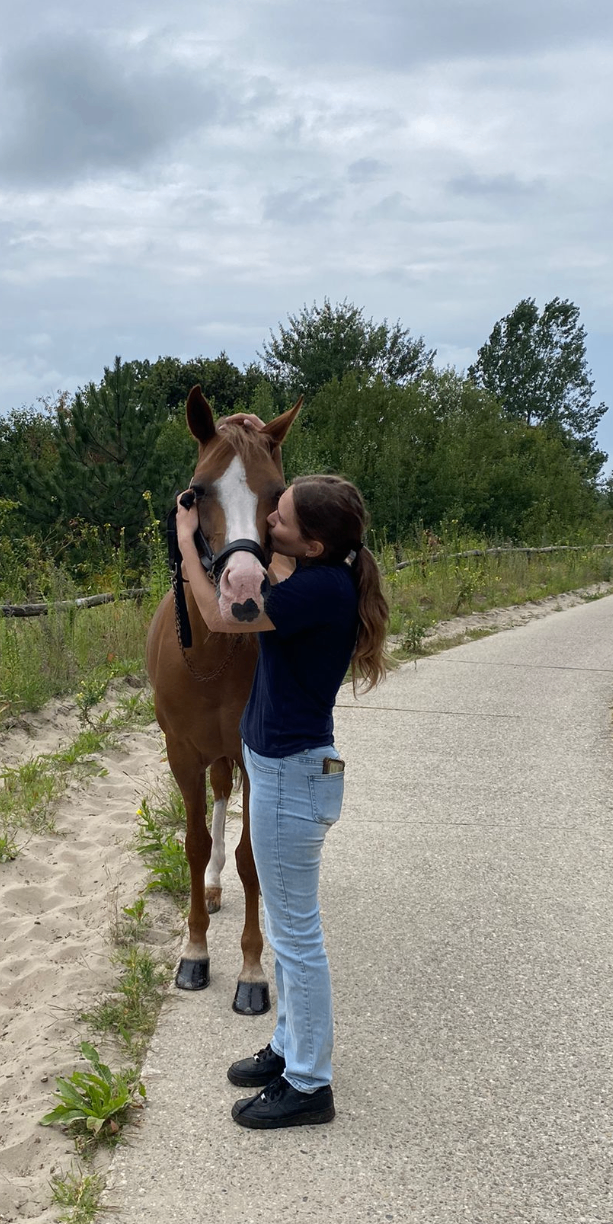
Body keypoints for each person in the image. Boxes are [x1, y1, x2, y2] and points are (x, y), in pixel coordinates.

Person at [174, 427, 390, 1131]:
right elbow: (251, 544)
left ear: (312, 545)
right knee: (294, 927)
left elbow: (215, 613)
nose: (269, 521)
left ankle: (309, 1084)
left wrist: (185, 540)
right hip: (285, 771)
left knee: (296, 937)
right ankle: (286, 1046)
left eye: (282, 518)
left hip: (293, 780)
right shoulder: (318, 579)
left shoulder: (315, 595)